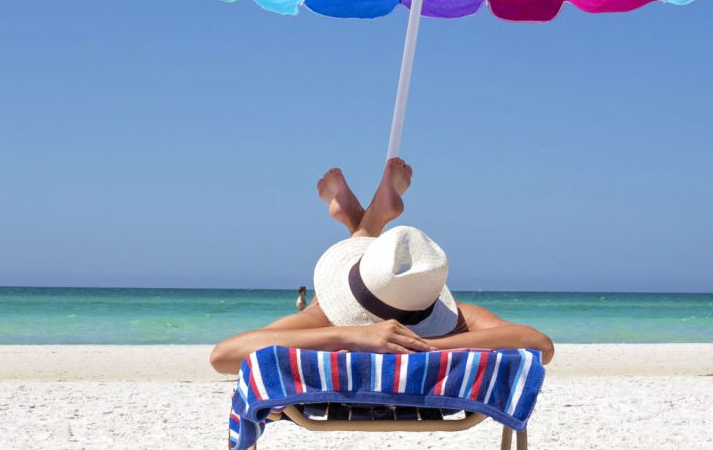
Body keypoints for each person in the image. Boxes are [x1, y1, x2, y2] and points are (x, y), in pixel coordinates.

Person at [211, 158, 554, 374]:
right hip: (427, 339)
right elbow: (540, 343)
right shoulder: (460, 321)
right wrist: (429, 346)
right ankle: (368, 219)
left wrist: (351, 335)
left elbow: (223, 355)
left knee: (322, 301)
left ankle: (368, 222)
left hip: (338, 334)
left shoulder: (325, 317)